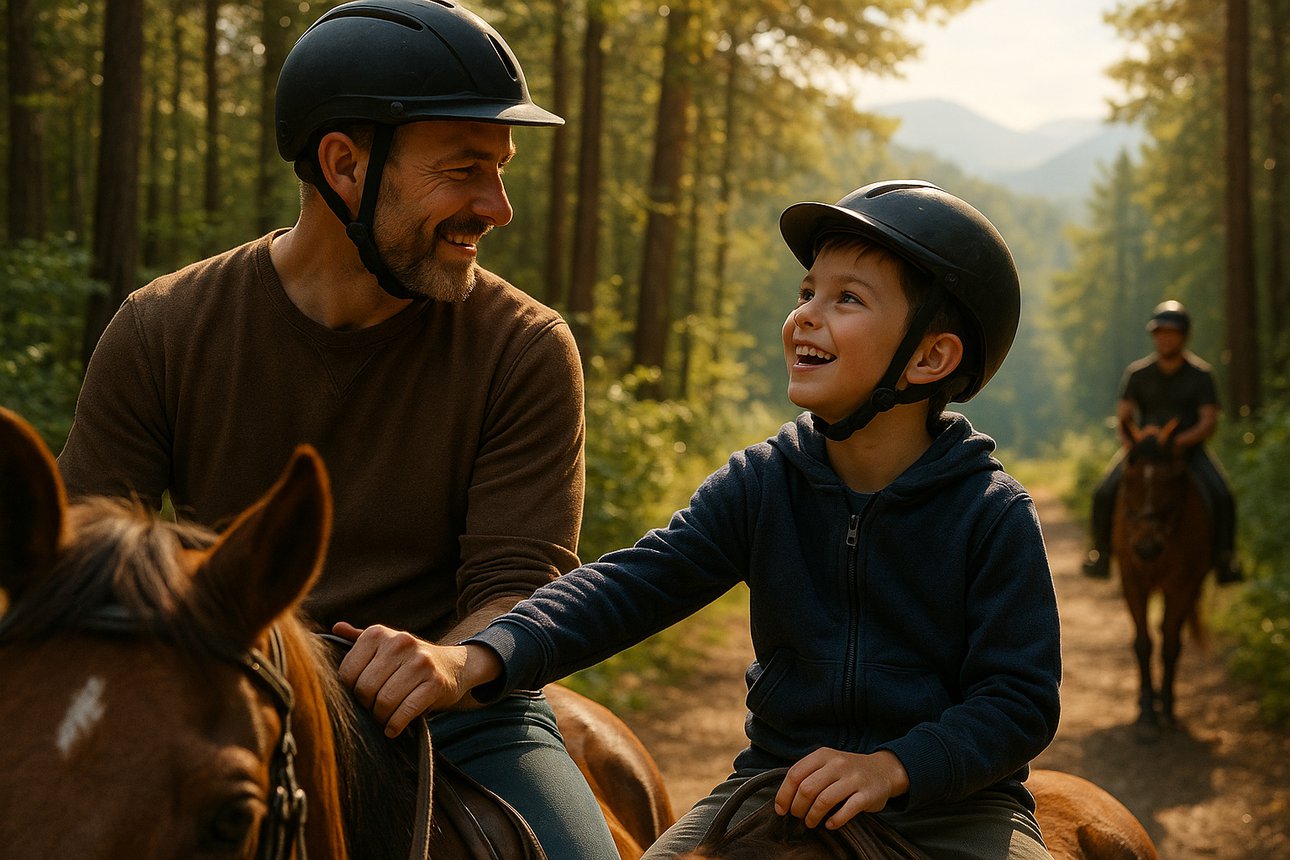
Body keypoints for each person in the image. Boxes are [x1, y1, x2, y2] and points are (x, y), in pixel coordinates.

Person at [344, 180, 1063, 859]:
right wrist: (475, 656)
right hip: (775, 786)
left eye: (848, 299)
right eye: (807, 290)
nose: (806, 314)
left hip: (960, 812)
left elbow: (1019, 701)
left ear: (931, 358)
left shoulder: (991, 514)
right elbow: (631, 585)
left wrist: (892, 767)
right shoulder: (761, 484)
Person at [55, 1, 619, 857]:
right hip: (220, 699)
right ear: (345, 165)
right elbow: (81, 567)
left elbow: (518, 586)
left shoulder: (527, 348)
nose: (496, 207)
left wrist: (444, 663)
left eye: (500, 171)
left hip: (462, 712)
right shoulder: (162, 327)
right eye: (466, 169)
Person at [1081, 300, 1241, 583]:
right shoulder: (1138, 374)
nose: (1165, 338)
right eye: (1160, 332)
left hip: (1186, 451)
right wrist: (1134, 442)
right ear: (1154, 336)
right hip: (1144, 451)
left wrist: (1181, 441)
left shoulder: (1201, 375)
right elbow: (1125, 417)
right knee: (1104, 492)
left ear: (1184, 336)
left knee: (1222, 495)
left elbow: (1208, 419)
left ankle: (1225, 559)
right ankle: (1101, 553)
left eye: (1172, 332)